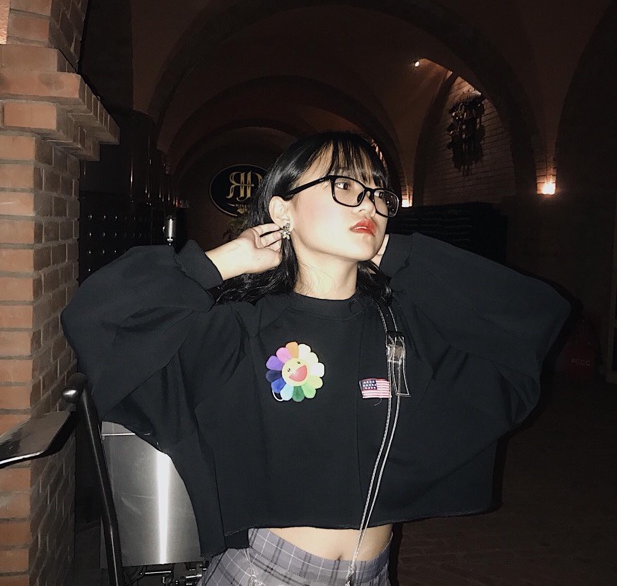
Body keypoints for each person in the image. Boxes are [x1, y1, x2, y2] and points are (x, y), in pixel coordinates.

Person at [62, 131, 569, 586]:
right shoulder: (241, 331)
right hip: (267, 573)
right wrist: (222, 262)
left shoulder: (404, 326)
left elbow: (531, 318)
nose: (368, 203)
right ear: (283, 211)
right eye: (344, 185)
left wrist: (395, 256)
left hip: (373, 574)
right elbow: (98, 319)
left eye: (378, 193)